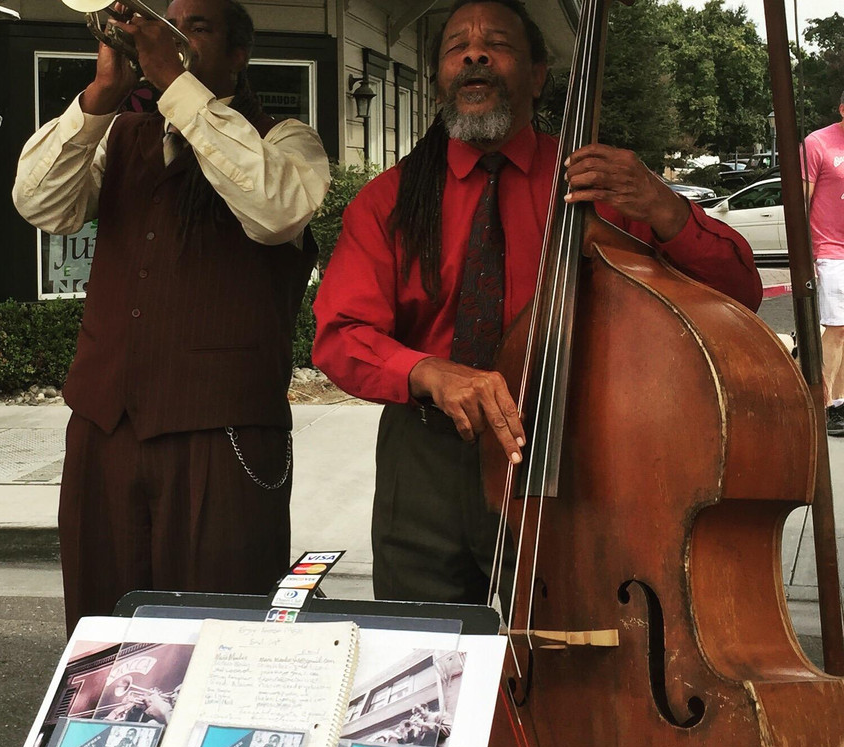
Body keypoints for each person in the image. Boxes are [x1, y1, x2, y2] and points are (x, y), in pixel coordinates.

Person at [312, 0, 761, 605]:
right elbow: (340, 334)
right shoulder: (388, 200)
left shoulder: (598, 183)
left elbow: (739, 295)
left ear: (539, 72)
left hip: (572, 457)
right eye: (456, 47)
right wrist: (426, 370)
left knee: (571, 653)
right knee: (427, 665)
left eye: (495, 43)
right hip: (427, 460)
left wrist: (665, 206)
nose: (473, 53)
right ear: (441, 74)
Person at [12, 0, 330, 633]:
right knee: (104, 621)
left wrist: (175, 82)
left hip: (223, 430)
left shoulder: (285, 140)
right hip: (106, 423)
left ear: (239, 55)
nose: (172, 37)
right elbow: (38, 202)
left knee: (222, 621)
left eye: (196, 28)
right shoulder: (124, 134)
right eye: (165, 24)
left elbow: (274, 211)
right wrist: (104, 92)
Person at [804, 91, 844, 437]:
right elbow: (801, 199)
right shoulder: (818, 143)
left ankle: (840, 402)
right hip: (831, 251)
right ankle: (825, 404)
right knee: (836, 328)